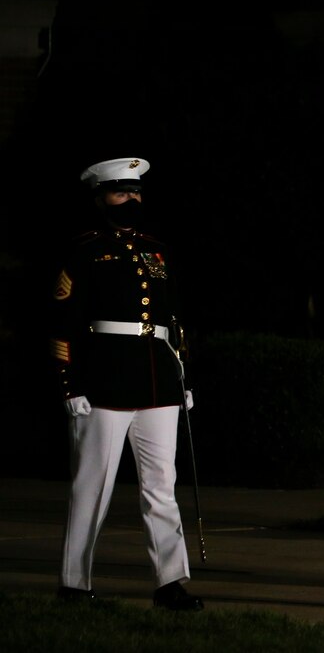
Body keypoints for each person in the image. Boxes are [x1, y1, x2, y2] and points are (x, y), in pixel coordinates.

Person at [50, 157, 203, 611]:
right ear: (100, 198)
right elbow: (63, 322)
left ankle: (170, 582)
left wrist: (182, 375)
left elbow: (173, 317)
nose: (131, 199)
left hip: (157, 381)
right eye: (121, 192)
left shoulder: (157, 249)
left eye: (136, 191)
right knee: (91, 484)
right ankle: (74, 584)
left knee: (161, 484)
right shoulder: (84, 250)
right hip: (105, 381)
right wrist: (69, 384)